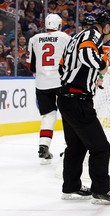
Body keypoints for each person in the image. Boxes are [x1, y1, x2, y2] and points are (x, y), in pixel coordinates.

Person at [57, 10, 110, 204]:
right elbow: (88, 56)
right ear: (107, 27)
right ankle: (101, 190)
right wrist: (103, 64)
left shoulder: (77, 36)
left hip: (66, 98)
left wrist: (92, 76)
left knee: (76, 147)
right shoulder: (92, 36)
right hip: (78, 101)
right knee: (101, 148)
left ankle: (71, 186)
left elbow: (63, 67)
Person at [26, 14, 71, 165]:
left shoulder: (34, 39)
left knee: (48, 115)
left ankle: (43, 146)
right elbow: (71, 59)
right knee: (69, 114)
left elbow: (31, 66)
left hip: (41, 84)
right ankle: (71, 148)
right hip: (60, 81)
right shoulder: (65, 37)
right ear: (59, 25)